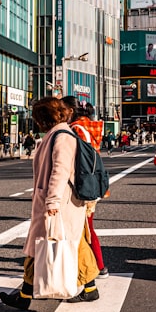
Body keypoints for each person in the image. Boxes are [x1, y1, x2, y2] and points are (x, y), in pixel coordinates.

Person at [0, 96, 99, 310]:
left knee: (42, 247)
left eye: (38, 118)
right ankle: (89, 288)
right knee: (68, 245)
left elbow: (60, 171)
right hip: (62, 203)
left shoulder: (62, 137)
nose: (37, 122)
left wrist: (52, 201)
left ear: (45, 117)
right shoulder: (58, 134)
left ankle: (25, 296)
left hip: (60, 204)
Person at [64, 97, 108, 280]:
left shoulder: (75, 129)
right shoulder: (91, 127)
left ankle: (97, 266)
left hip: (80, 185)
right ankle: (97, 265)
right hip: (92, 183)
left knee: (84, 229)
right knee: (87, 227)